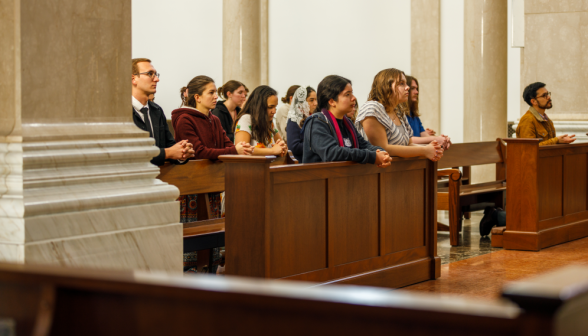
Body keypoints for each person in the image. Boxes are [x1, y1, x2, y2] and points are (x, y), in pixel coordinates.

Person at [302, 75, 392, 167]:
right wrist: (371, 156)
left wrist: (382, 153)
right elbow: (332, 153)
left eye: (352, 93)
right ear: (332, 101)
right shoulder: (317, 122)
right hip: (321, 179)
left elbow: (365, 146)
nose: (354, 98)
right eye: (347, 94)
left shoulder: (348, 123)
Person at [355, 69, 443, 162]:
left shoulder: (398, 111)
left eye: (406, 83)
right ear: (386, 86)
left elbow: (408, 144)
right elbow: (383, 148)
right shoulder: (372, 108)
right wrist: (424, 150)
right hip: (375, 171)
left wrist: (432, 148)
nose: (407, 87)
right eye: (401, 84)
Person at [171, 76, 252, 160]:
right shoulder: (184, 120)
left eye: (215, 92)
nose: (216, 96)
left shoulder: (215, 119)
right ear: (197, 97)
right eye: (211, 93)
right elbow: (198, 153)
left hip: (217, 170)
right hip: (195, 171)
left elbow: (228, 144)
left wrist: (242, 148)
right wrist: (234, 150)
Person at [131, 58, 194, 166]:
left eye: (156, 74)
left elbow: (169, 145)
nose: (156, 79)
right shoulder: (120, 112)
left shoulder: (156, 110)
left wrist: (182, 152)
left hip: (157, 177)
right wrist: (167, 153)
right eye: (150, 74)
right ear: (133, 79)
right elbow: (131, 154)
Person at [234, 85, 288, 156]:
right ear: (259, 106)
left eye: (275, 107)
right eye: (270, 107)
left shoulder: (269, 123)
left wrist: (283, 147)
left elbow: (281, 145)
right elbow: (243, 150)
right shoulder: (246, 119)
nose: (274, 111)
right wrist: (272, 151)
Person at [404, 75, 451, 147]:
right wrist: (435, 138)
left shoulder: (414, 115)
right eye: (413, 88)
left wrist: (442, 139)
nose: (417, 92)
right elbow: (406, 140)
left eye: (417, 89)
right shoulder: (398, 114)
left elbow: (424, 136)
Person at [285, 86, 315, 162]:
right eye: (311, 100)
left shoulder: (315, 118)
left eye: (316, 100)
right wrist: (316, 144)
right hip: (301, 164)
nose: (315, 103)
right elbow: (294, 147)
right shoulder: (294, 119)